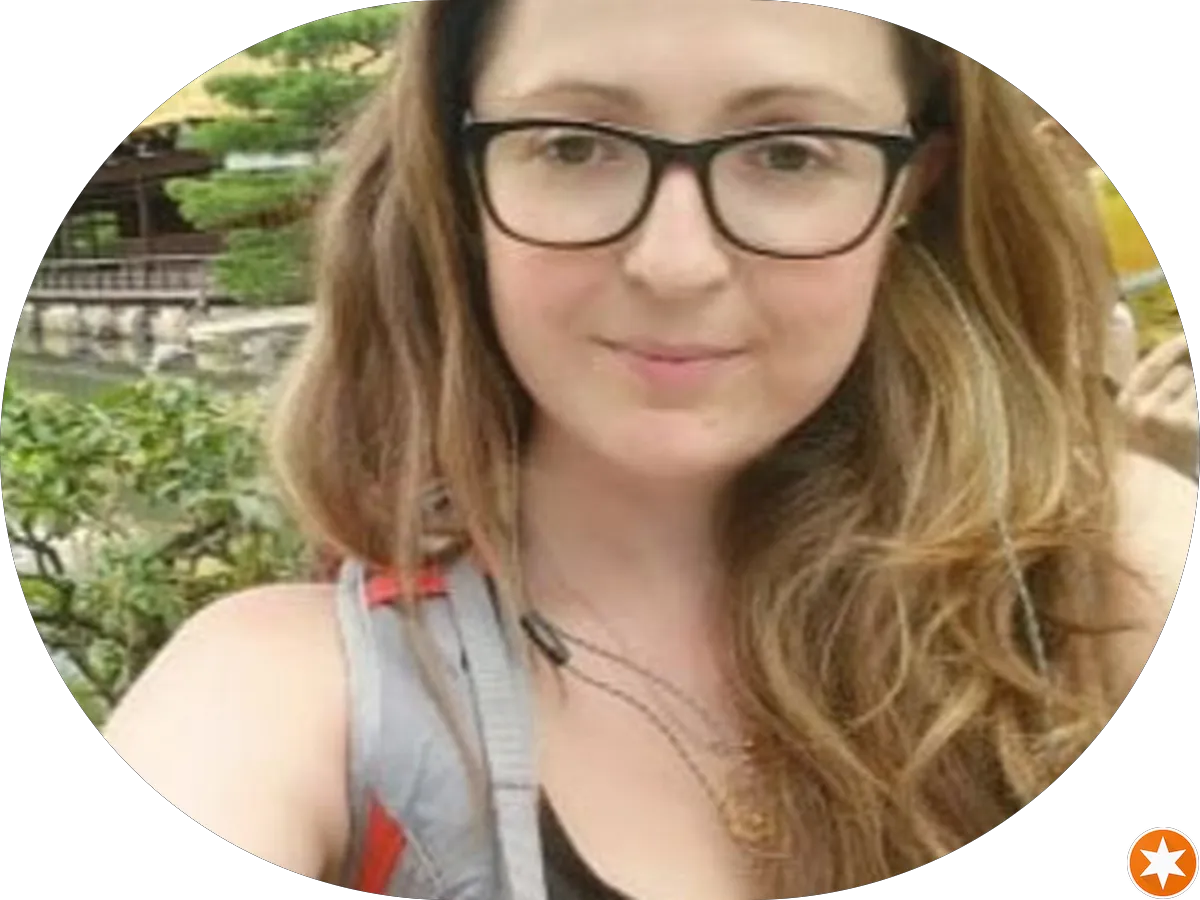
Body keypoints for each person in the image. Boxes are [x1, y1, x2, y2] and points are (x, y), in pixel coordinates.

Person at [98, 2, 1197, 898]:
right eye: (574, 145)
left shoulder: (1100, 588)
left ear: (913, 185)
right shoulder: (296, 696)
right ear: (458, 174)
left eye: (788, 153)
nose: (675, 265)